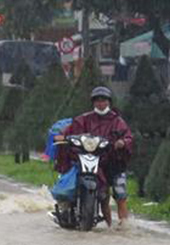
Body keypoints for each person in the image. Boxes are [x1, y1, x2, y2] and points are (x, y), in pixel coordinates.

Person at [56, 86, 134, 228]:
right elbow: (69, 130)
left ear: (109, 102)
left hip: (114, 163)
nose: (100, 103)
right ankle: (109, 226)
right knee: (103, 196)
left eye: (103, 100)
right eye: (97, 100)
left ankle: (124, 226)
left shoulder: (117, 121)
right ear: (93, 102)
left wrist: (122, 142)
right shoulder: (84, 119)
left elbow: (128, 136)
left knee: (120, 195)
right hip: (96, 164)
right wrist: (62, 136)